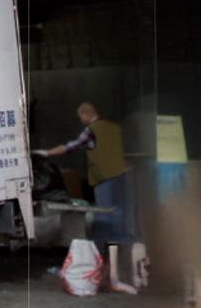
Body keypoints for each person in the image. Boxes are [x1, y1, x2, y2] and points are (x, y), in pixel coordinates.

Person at [45, 102, 137, 248]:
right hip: (122, 175)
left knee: (104, 212)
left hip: (104, 177)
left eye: (81, 117)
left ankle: (99, 248)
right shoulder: (114, 127)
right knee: (121, 211)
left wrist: (47, 152)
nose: (81, 121)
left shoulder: (91, 131)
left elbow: (71, 147)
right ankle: (124, 247)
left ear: (86, 114)